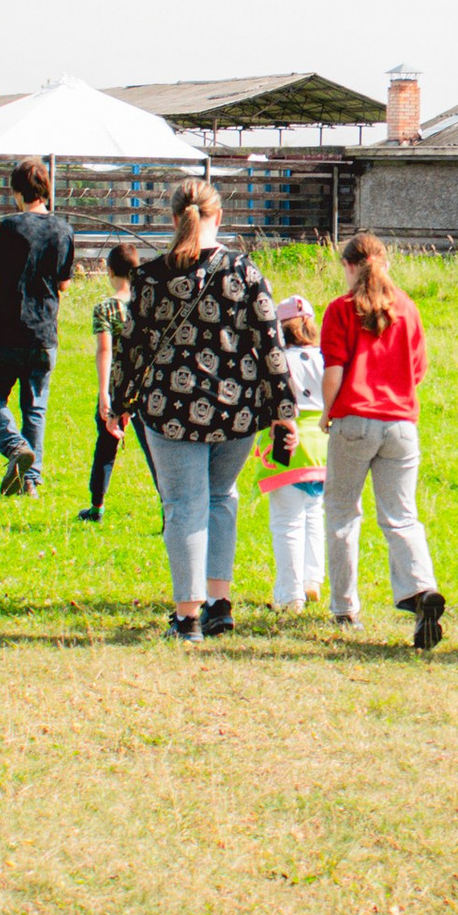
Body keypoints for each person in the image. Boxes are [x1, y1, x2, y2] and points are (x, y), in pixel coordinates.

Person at [113, 177, 297, 642]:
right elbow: (271, 344)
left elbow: (131, 346)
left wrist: (117, 402)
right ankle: (219, 605)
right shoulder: (244, 272)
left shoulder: (150, 277)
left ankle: (187, 616)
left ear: (174, 218)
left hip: (169, 409)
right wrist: (284, 410)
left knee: (183, 506)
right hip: (236, 411)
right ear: (220, 217)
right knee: (221, 499)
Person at [320, 232, 446, 651]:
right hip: (401, 424)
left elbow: (335, 370)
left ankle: (345, 607)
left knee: (342, 513)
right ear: (385, 264)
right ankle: (421, 587)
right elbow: (418, 369)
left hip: (355, 418)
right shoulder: (407, 308)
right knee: (401, 517)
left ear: (348, 266)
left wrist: (327, 410)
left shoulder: (340, 310)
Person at [0, 157, 75, 496]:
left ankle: (15, 447)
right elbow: (64, 284)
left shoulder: (10, 227)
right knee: (35, 406)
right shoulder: (63, 230)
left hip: (6, 329)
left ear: (18, 192)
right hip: (43, 332)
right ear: (46, 190)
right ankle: (30, 482)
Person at [261, 296, 329, 612]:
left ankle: (289, 595)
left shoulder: (279, 361)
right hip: (323, 448)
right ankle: (312, 579)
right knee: (314, 512)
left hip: (287, 445)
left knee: (286, 520)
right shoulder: (325, 358)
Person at [76, 242, 146, 523]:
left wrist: (104, 392)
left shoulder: (106, 309)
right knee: (155, 450)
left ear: (109, 271)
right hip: (146, 387)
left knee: (106, 445)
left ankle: (97, 506)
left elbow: (104, 351)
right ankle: (169, 507)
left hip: (117, 386)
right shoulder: (147, 305)